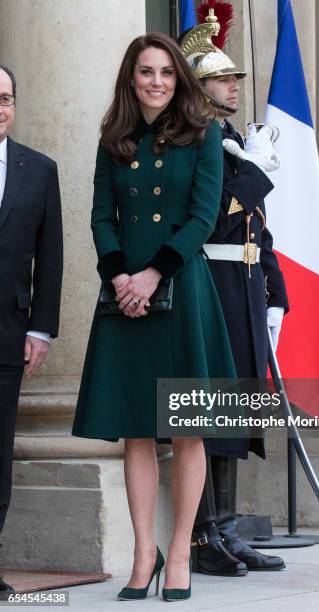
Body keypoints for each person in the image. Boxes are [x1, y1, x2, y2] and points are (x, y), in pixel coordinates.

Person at [72, 33, 237, 602]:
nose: (158, 82)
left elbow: (202, 216)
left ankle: (182, 551)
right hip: (123, 299)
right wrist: (120, 276)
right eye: (147, 72)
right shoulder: (112, 139)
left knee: (187, 429)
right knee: (137, 430)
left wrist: (153, 274)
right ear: (132, 78)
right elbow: (100, 217)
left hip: (181, 291)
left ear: (179, 79)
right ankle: (145, 553)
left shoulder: (204, 134)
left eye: (167, 72)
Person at [180, 7, 289, 576]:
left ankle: (226, 527)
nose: (233, 86)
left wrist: (277, 293)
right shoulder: (196, 143)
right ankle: (203, 538)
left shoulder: (228, 139)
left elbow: (257, 230)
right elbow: (217, 218)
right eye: (223, 79)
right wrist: (257, 172)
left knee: (238, 412)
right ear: (198, 89)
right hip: (213, 286)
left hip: (242, 287)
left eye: (234, 78)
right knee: (211, 413)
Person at [0, 65, 63, 598]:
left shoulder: (39, 170)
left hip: (7, 334)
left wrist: (41, 329)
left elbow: (53, 257)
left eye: (5, 99)